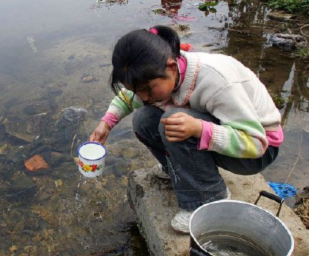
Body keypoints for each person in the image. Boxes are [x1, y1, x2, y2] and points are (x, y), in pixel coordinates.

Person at [89, 26, 283, 234]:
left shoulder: (215, 82)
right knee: (143, 120)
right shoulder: (159, 74)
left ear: (171, 67)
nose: (143, 97)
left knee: (174, 122)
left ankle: (208, 197)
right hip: (226, 134)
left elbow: (256, 145)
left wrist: (199, 129)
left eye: (148, 89)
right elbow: (129, 98)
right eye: (137, 90)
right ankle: (176, 169)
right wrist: (106, 123)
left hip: (255, 150)